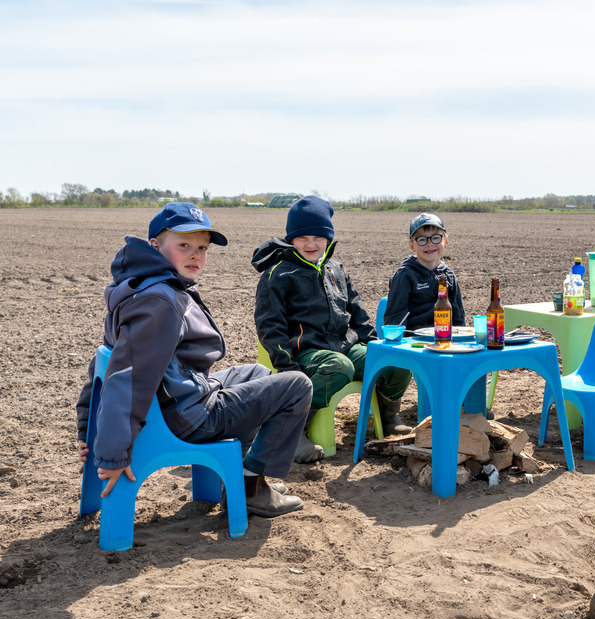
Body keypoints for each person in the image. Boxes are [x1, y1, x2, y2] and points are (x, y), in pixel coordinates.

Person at [75, 203, 308, 518]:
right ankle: (250, 487)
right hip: (189, 416)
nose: (195, 255)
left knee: (257, 373)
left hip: (180, 396)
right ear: (155, 246)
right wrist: (112, 454)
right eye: (184, 245)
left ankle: (240, 474)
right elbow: (128, 378)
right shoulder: (160, 302)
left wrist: (86, 430)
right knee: (297, 386)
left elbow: (101, 365)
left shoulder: (141, 286)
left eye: (202, 248)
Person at [252, 196, 413, 443]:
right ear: (291, 239)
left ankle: (388, 415)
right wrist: (288, 368)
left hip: (344, 347)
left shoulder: (337, 270)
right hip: (306, 354)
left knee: (396, 359)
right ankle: (289, 431)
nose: (310, 244)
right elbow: (269, 327)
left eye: (318, 237)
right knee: (339, 366)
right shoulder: (278, 274)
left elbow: (358, 314)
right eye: (302, 237)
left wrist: (376, 347)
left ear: (328, 238)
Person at [383, 213, 465, 330]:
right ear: (412, 245)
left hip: (444, 336)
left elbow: (458, 318)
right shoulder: (405, 275)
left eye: (436, 238)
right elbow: (395, 320)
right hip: (413, 338)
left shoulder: (449, 276)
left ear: (446, 240)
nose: (430, 244)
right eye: (422, 240)